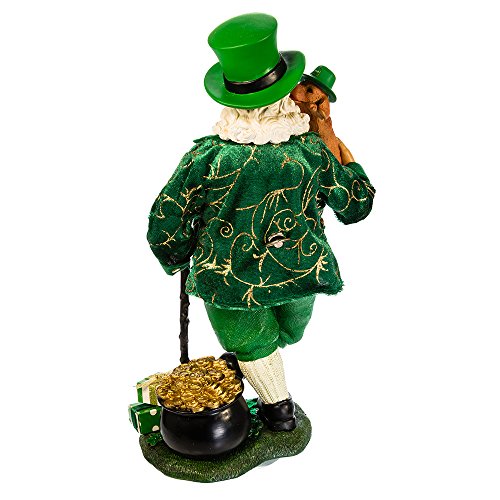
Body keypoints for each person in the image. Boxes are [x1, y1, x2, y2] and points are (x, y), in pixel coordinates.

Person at [147, 13, 375, 431]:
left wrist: (176, 255)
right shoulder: (312, 152)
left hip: (228, 278)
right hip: (301, 272)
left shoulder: (206, 157)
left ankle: (252, 366)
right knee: (276, 336)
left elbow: (167, 218)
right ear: (286, 95)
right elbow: (356, 204)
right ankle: (279, 413)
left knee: (253, 340)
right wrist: (342, 152)